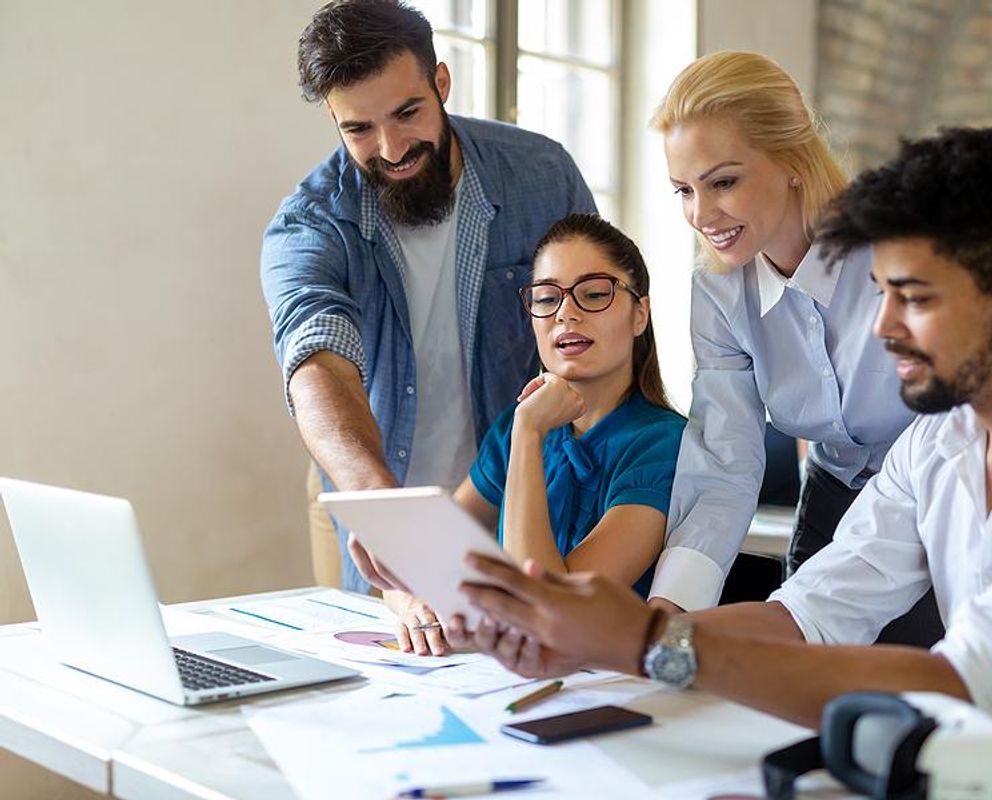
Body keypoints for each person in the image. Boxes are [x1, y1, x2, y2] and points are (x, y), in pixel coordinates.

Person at [457, 128, 992, 795]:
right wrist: (605, 639)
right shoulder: (936, 445)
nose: (883, 328)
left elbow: (960, 679)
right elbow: (807, 614)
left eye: (912, 298)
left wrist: (650, 644)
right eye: (880, 294)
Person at [260, 0, 595, 593]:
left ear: (441, 82)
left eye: (407, 113)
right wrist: (377, 504)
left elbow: (603, 324)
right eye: (358, 129)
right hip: (384, 514)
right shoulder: (310, 223)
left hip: (532, 502)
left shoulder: (542, 175)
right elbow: (316, 355)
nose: (390, 149)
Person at [645, 52, 938, 646]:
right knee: (803, 699)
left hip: (934, 500)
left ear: (792, 162)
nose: (701, 215)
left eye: (723, 181)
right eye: (683, 190)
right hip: (829, 498)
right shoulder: (719, 289)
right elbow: (725, 463)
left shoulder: (897, 251)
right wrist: (667, 611)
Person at [352, 214, 686, 656]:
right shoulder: (515, 423)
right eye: (547, 298)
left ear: (639, 313)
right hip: (507, 672)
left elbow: (551, 608)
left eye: (593, 294)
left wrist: (529, 433)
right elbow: (425, 555)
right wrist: (409, 599)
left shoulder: (664, 443)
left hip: (608, 681)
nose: (566, 312)